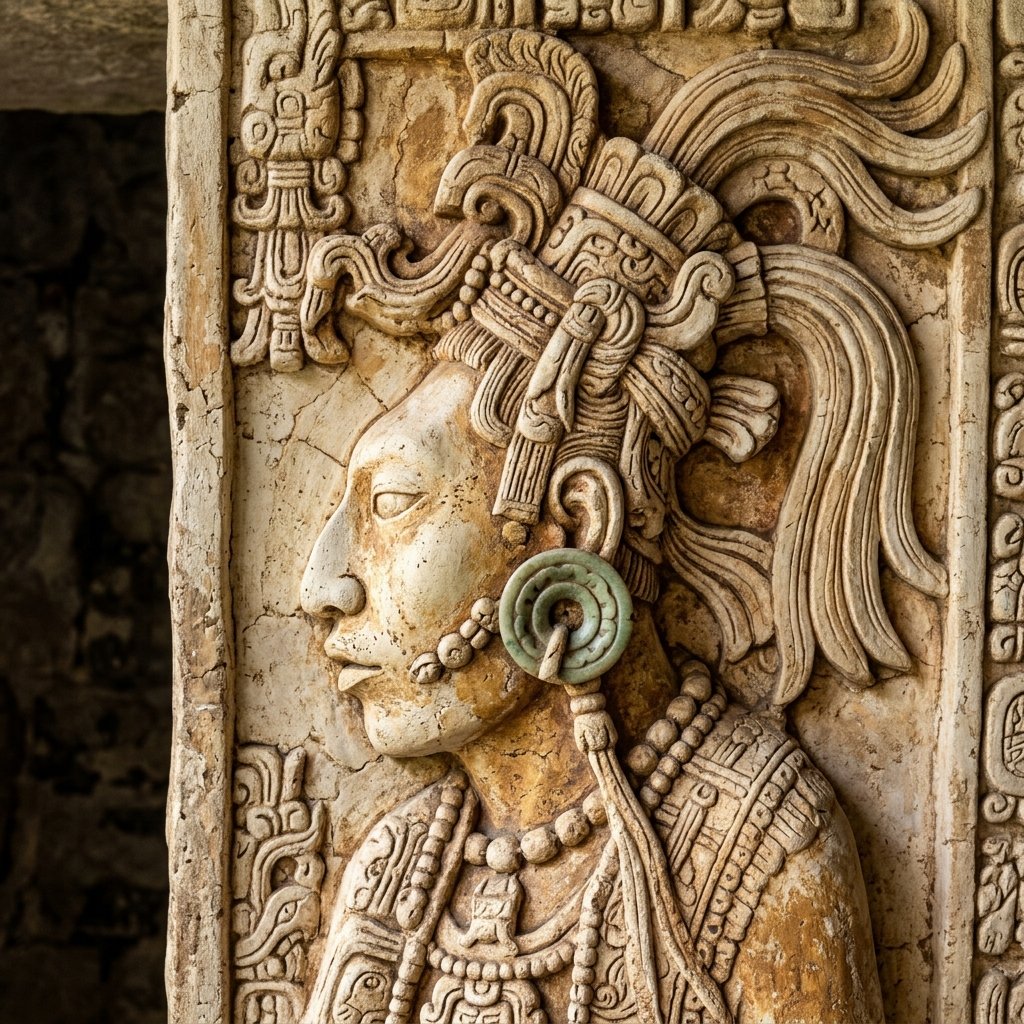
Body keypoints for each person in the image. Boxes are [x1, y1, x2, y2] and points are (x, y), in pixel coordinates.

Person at [294, 18, 982, 1024]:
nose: (322, 584)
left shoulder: (755, 842)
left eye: (392, 504)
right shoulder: (398, 872)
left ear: (574, 522)